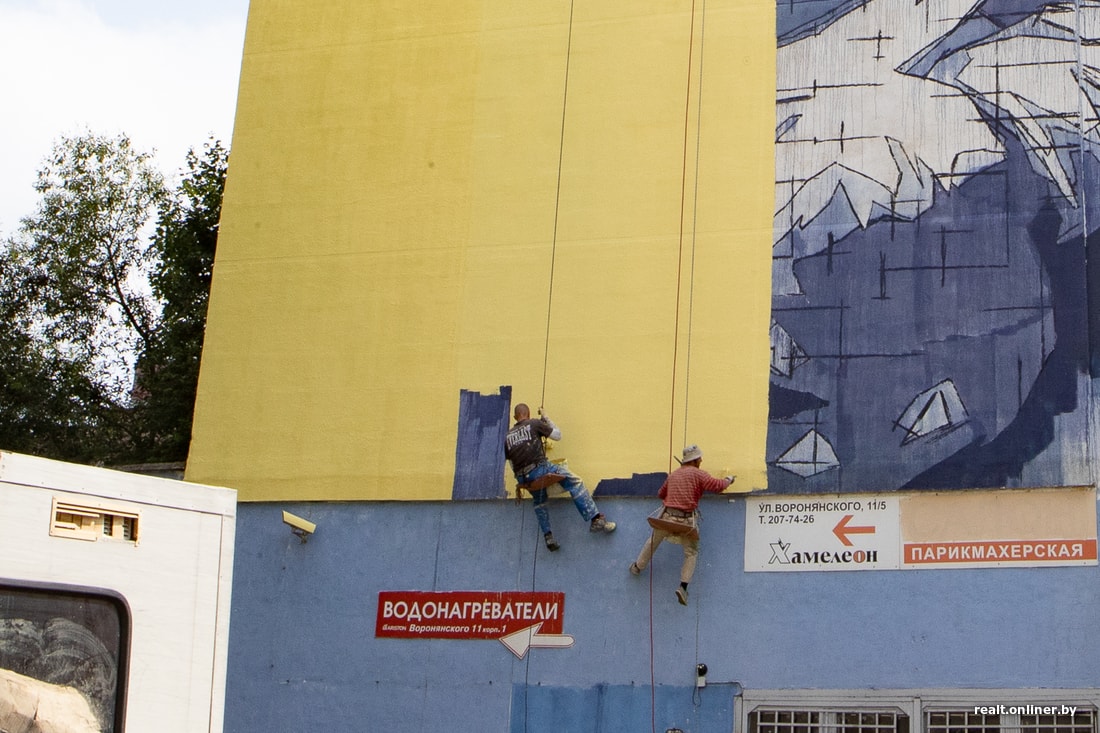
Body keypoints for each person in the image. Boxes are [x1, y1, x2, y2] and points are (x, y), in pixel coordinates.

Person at [630, 444, 734, 606]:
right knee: (691, 552)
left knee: (652, 542)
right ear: (694, 460)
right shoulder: (699, 474)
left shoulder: (673, 475)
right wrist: (729, 480)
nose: (701, 460)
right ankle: (683, 586)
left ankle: (637, 566)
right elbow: (717, 486)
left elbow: (660, 494)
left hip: (667, 518)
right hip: (686, 522)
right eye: (699, 458)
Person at [504, 403, 615, 551]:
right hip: (540, 469)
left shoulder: (508, 437)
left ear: (515, 417)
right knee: (575, 482)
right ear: (528, 414)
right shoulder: (534, 423)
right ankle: (596, 519)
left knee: (539, 500)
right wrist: (546, 418)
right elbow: (557, 435)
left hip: (524, 479)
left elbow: (511, 463)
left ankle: (548, 536)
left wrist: (522, 479)